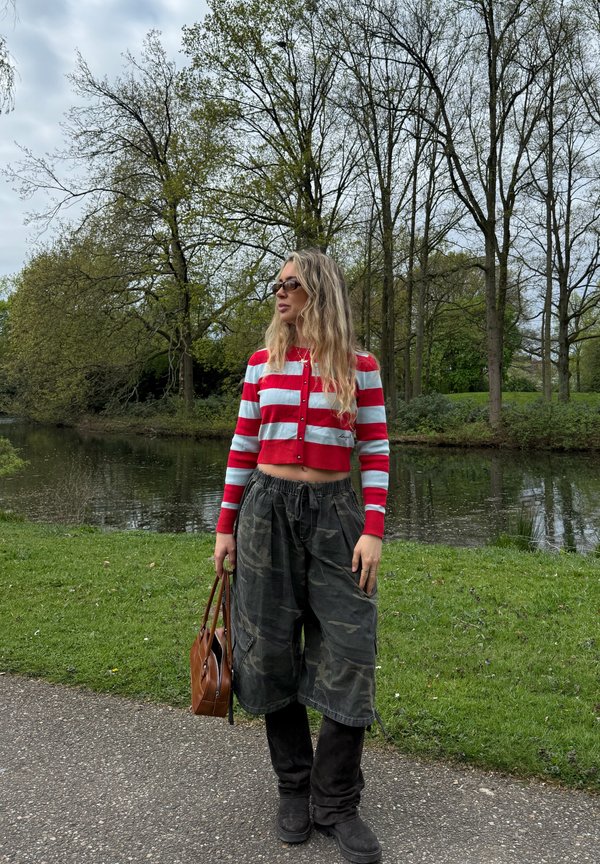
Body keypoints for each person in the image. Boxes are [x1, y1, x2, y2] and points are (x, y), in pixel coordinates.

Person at [214, 248, 389, 864]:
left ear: (319, 290)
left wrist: (373, 528)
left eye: (290, 284)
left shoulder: (360, 366)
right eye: (277, 284)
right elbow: (241, 446)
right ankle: (294, 787)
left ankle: (336, 800)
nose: (279, 293)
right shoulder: (262, 364)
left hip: (336, 516)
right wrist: (225, 525)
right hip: (265, 512)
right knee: (265, 649)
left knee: (351, 650)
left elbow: (376, 447)